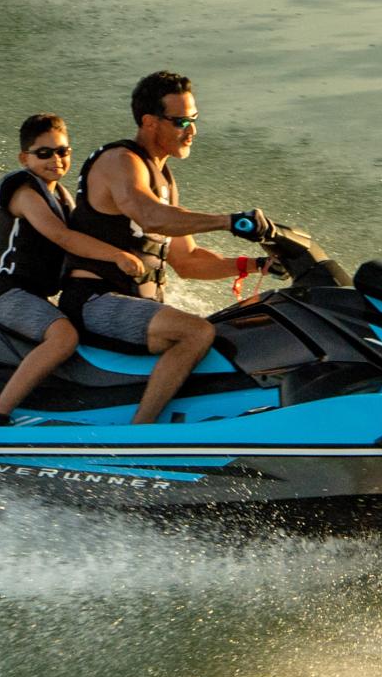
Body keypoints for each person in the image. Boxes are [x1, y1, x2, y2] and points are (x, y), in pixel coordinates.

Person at [60, 71, 280, 424]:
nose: (192, 131)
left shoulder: (164, 179)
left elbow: (188, 261)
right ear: (150, 122)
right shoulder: (121, 161)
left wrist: (255, 264)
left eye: (194, 119)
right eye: (181, 122)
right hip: (95, 301)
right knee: (196, 332)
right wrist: (229, 221)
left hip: (137, 307)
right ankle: (140, 434)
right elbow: (149, 217)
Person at [0, 114, 146, 427]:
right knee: (64, 337)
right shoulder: (24, 192)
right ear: (24, 158)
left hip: (37, 298)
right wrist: (117, 256)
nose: (55, 159)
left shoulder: (64, 198)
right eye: (44, 153)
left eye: (62, 151)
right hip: (8, 294)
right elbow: (62, 237)